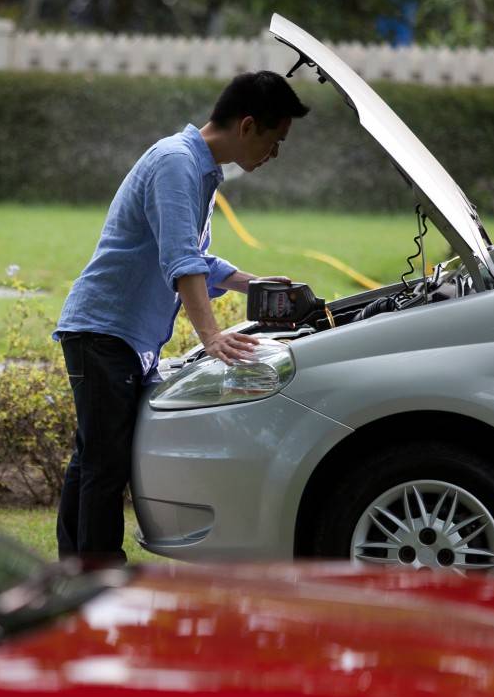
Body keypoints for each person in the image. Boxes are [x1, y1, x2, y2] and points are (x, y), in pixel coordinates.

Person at [53, 70, 310, 562]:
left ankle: (75, 569)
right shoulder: (177, 163)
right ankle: (98, 576)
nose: (273, 156)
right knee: (104, 465)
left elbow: (199, 260)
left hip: (114, 334)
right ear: (248, 125)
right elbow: (181, 259)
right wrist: (210, 335)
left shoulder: (197, 167)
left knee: (92, 460)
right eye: (274, 142)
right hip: (103, 330)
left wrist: (259, 285)